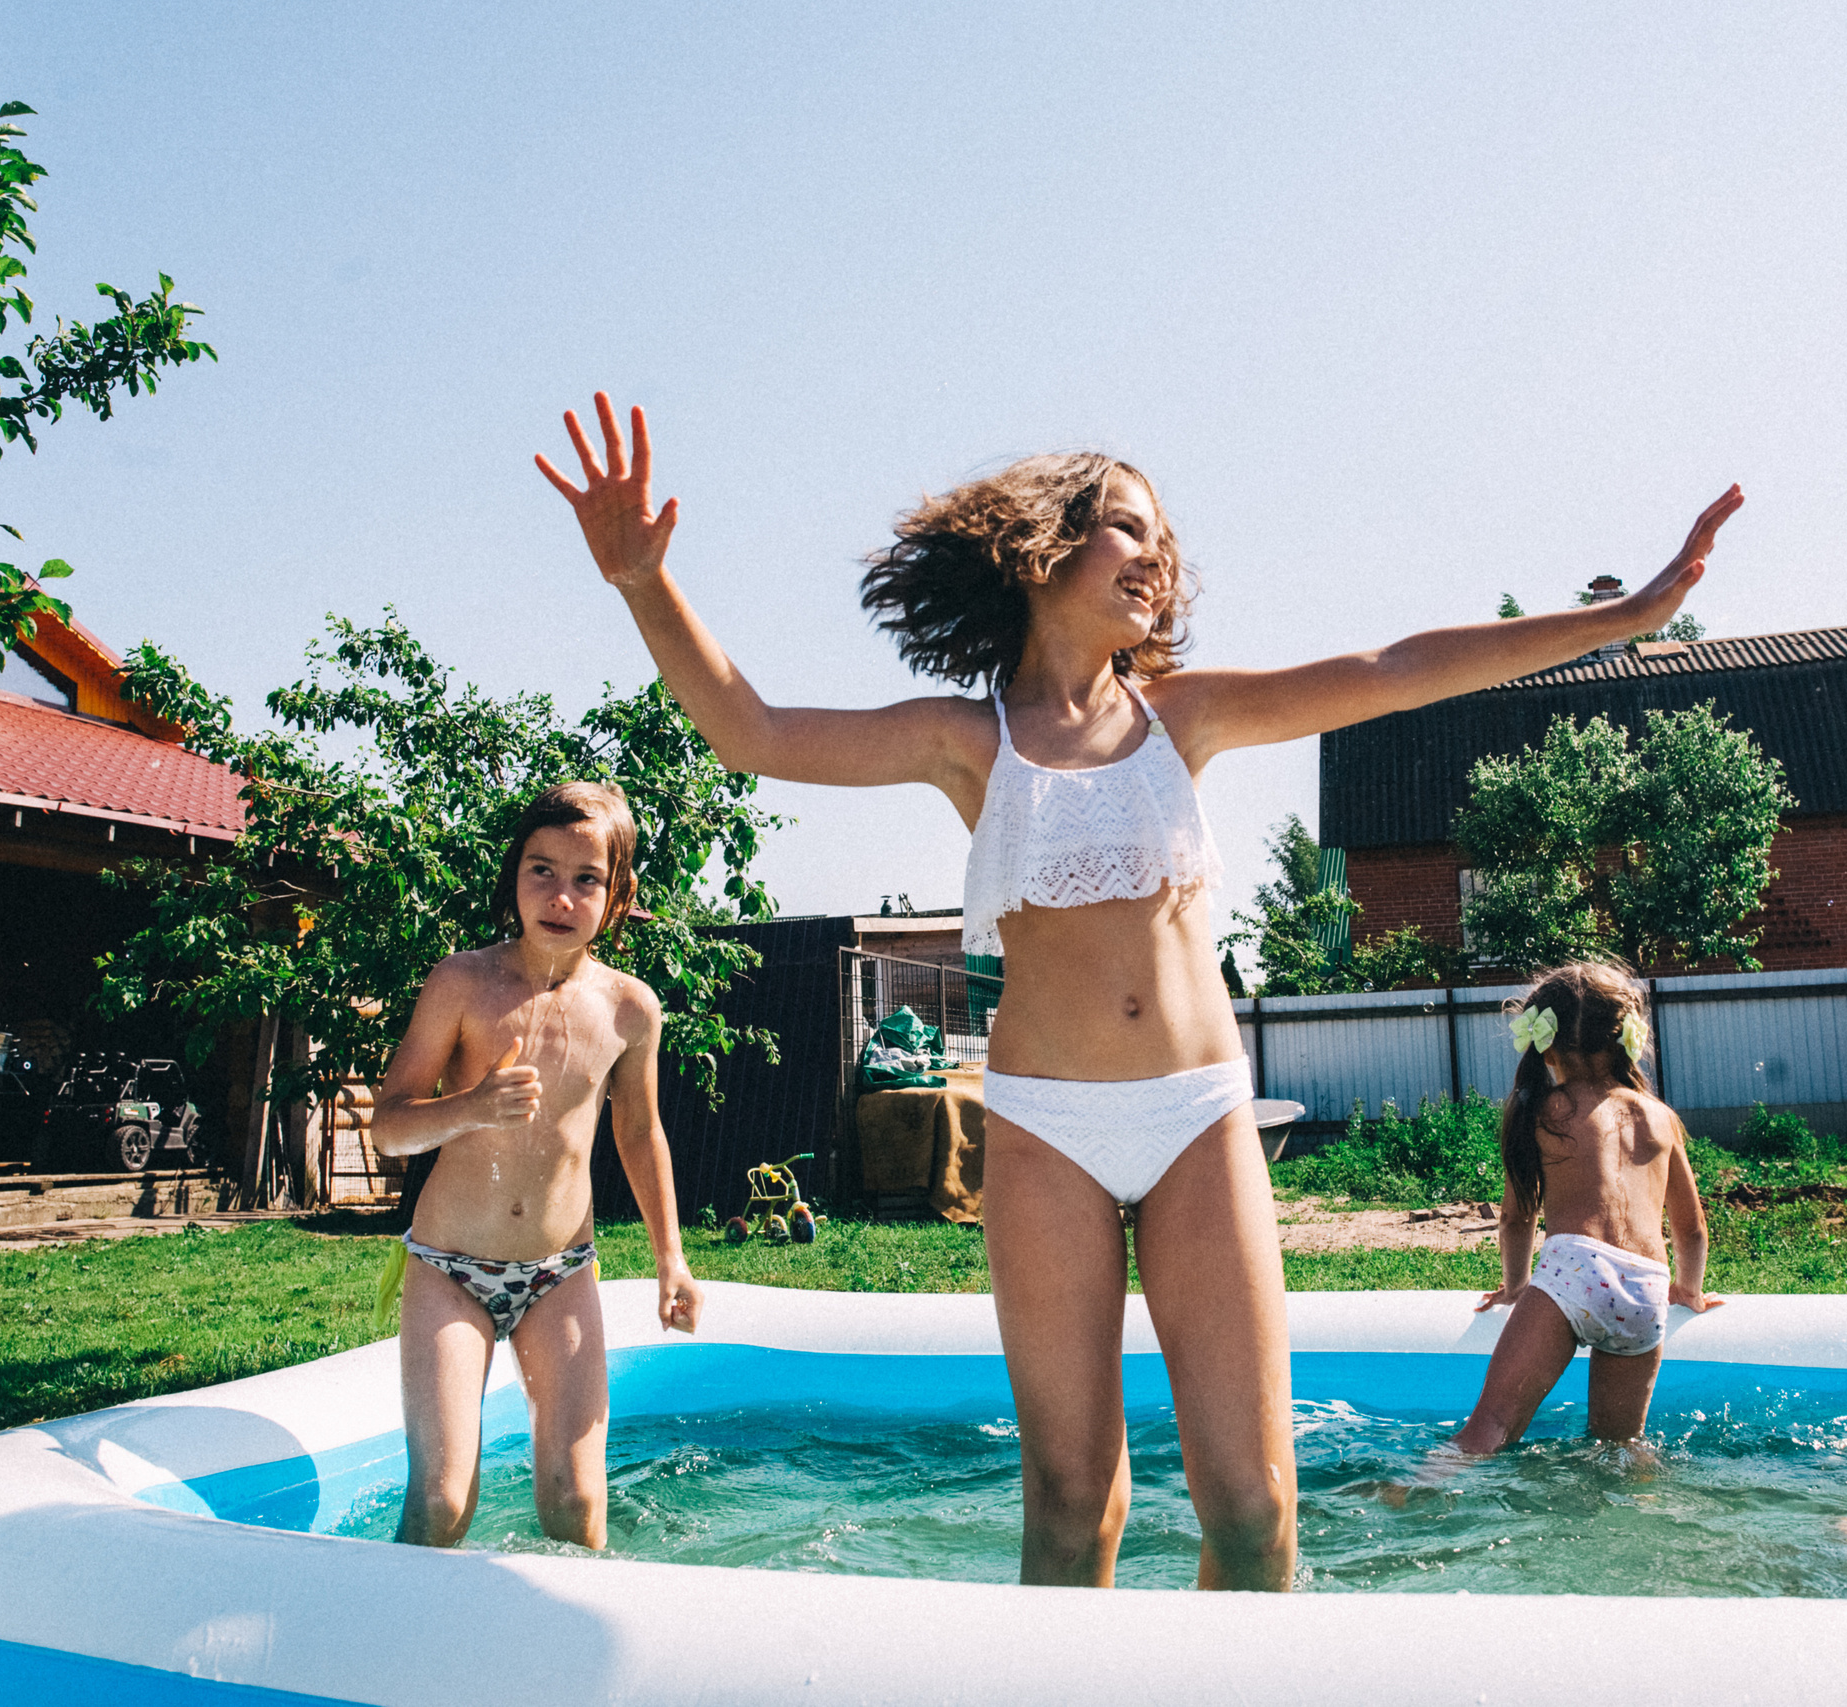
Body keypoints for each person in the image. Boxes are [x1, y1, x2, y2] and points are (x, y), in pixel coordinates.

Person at [537, 391, 1740, 1589]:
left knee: (1258, 1509)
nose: (1153, 554)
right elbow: (749, 730)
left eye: (1160, 535)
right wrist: (644, 581)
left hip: (1196, 1117)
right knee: (1072, 1506)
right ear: (1042, 548)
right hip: (1046, 1128)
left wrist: (1622, 616)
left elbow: (1397, 667)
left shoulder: (1187, 715)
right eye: (1124, 526)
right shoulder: (971, 740)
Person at [370, 780, 701, 1550]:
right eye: (540, 870)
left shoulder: (629, 1008)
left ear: (618, 897)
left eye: (586, 878)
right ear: (513, 875)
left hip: (560, 1271)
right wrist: (472, 1107)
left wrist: (672, 1259)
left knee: (576, 1500)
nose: (560, 894)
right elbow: (390, 1126)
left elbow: (641, 1135)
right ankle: (393, 1654)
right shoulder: (463, 983)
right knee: (443, 1501)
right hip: (450, 1267)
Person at [1448, 962, 1722, 1457]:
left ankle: (1409, 1492)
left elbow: (1516, 1219)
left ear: (1545, 1044)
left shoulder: (1542, 1109)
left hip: (1572, 1272)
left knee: (1490, 1426)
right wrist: (1689, 1290)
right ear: (1625, 1039)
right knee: (1621, 1447)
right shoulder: (1661, 1117)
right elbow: (1693, 1228)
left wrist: (1516, 1290)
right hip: (1645, 1291)